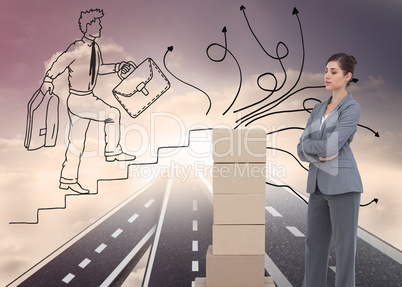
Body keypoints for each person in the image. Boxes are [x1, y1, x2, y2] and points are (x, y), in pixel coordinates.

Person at [42, 9, 135, 194]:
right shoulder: (76, 48)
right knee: (113, 114)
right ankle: (112, 152)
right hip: (78, 98)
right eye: (96, 23)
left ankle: (67, 179)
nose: (100, 26)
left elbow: (98, 69)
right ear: (88, 25)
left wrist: (118, 67)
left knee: (76, 143)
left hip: (87, 97)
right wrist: (49, 79)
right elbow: (60, 63)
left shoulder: (95, 48)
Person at [297, 53, 363, 287]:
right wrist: (318, 149)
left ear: (347, 76)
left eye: (333, 72)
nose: (327, 75)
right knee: (314, 246)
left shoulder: (351, 108)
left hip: (343, 185)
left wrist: (316, 147)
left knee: (345, 250)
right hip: (317, 184)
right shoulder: (317, 109)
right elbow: (300, 147)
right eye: (326, 70)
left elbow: (332, 146)